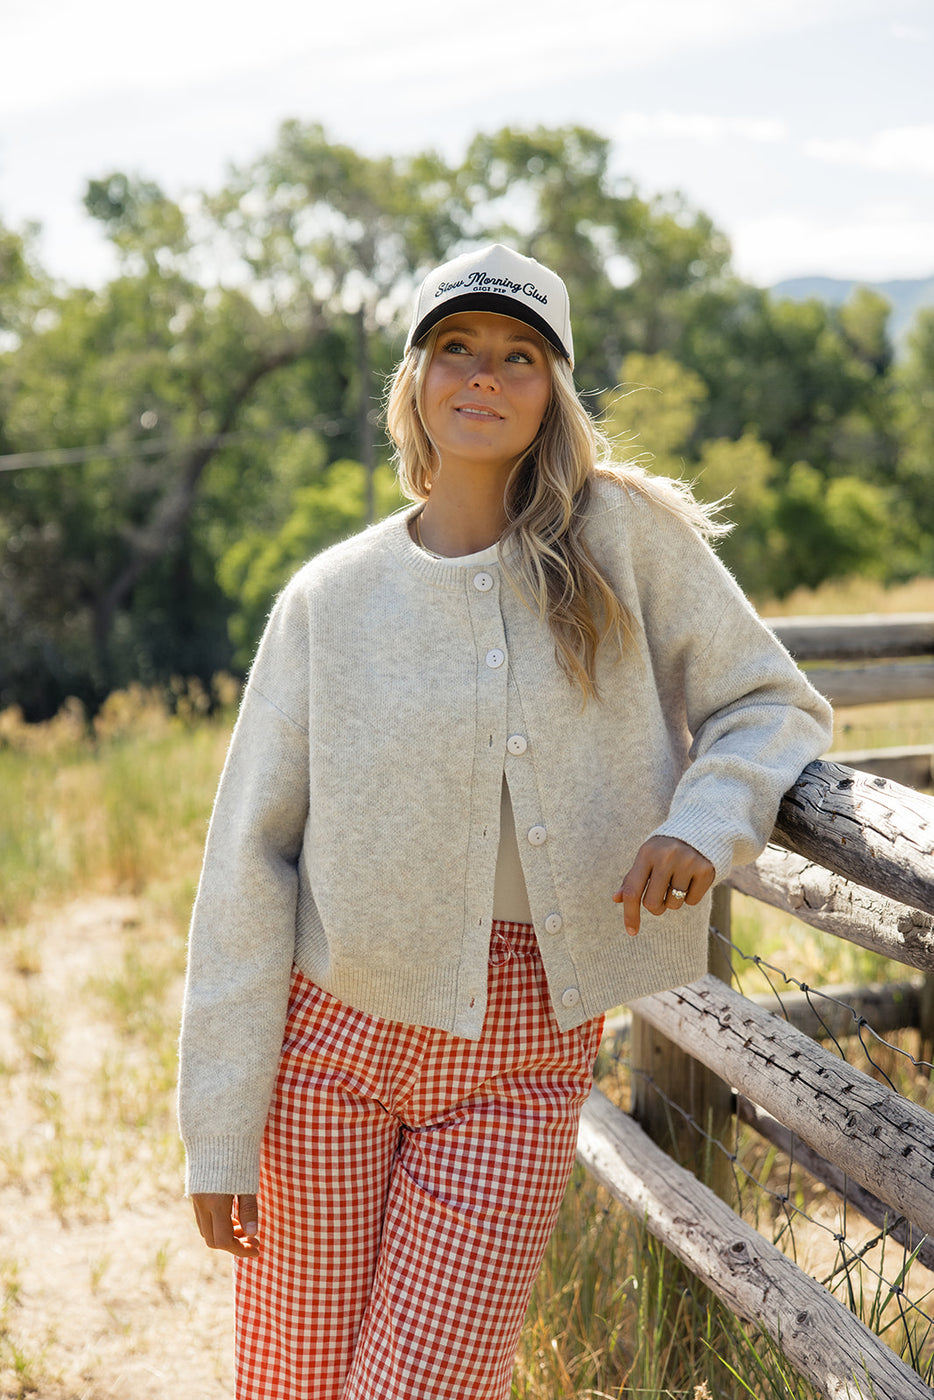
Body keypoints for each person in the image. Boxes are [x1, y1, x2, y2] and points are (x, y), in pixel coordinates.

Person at [178, 243, 832, 1399]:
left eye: (519, 356)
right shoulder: (331, 598)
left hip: (524, 1050)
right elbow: (247, 861)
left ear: (554, 390)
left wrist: (705, 819)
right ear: (416, 381)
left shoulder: (624, 540)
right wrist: (221, 1130)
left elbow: (769, 701)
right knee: (293, 1378)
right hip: (330, 1044)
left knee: (420, 1385)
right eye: (457, 350)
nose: (485, 375)